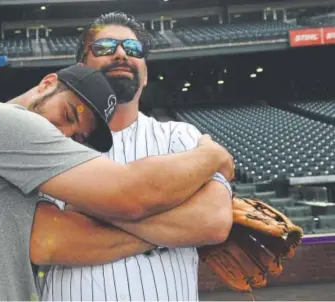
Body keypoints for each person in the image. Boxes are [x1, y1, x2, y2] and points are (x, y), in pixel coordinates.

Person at [0, 64, 233, 301]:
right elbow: (132, 194)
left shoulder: (16, 164)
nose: (64, 135)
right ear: (48, 83)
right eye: (68, 115)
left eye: (78, 136)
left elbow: (59, 241)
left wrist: (113, 217)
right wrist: (212, 155)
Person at [38, 12, 234, 301]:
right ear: (82, 68)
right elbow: (47, 242)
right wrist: (170, 227)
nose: (120, 54)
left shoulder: (182, 137)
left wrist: (88, 210)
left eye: (133, 49)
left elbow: (213, 222)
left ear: (146, 72)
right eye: (104, 48)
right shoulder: (50, 141)